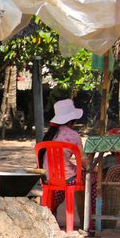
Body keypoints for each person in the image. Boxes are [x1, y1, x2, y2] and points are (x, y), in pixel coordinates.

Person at [40, 98, 87, 229]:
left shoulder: (49, 135)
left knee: (62, 182)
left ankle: (50, 211)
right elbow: (83, 161)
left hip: (47, 178)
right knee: (89, 178)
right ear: (72, 120)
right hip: (66, 178)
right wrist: (92, 169)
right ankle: (87, 219)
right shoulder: (73, 136)